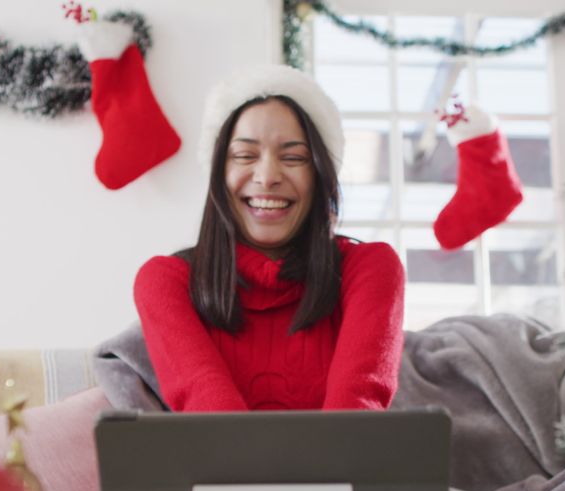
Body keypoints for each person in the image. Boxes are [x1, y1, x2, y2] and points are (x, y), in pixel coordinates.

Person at [134, 64, 405, 412]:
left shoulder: (370, 268)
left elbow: (353, 426)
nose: (267, 176)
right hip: (219, 467)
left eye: (293, 157)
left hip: (343, 467)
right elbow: (213, 424)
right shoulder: (165, 281)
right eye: (245, 155)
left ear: (320, 174)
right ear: (219, 172)